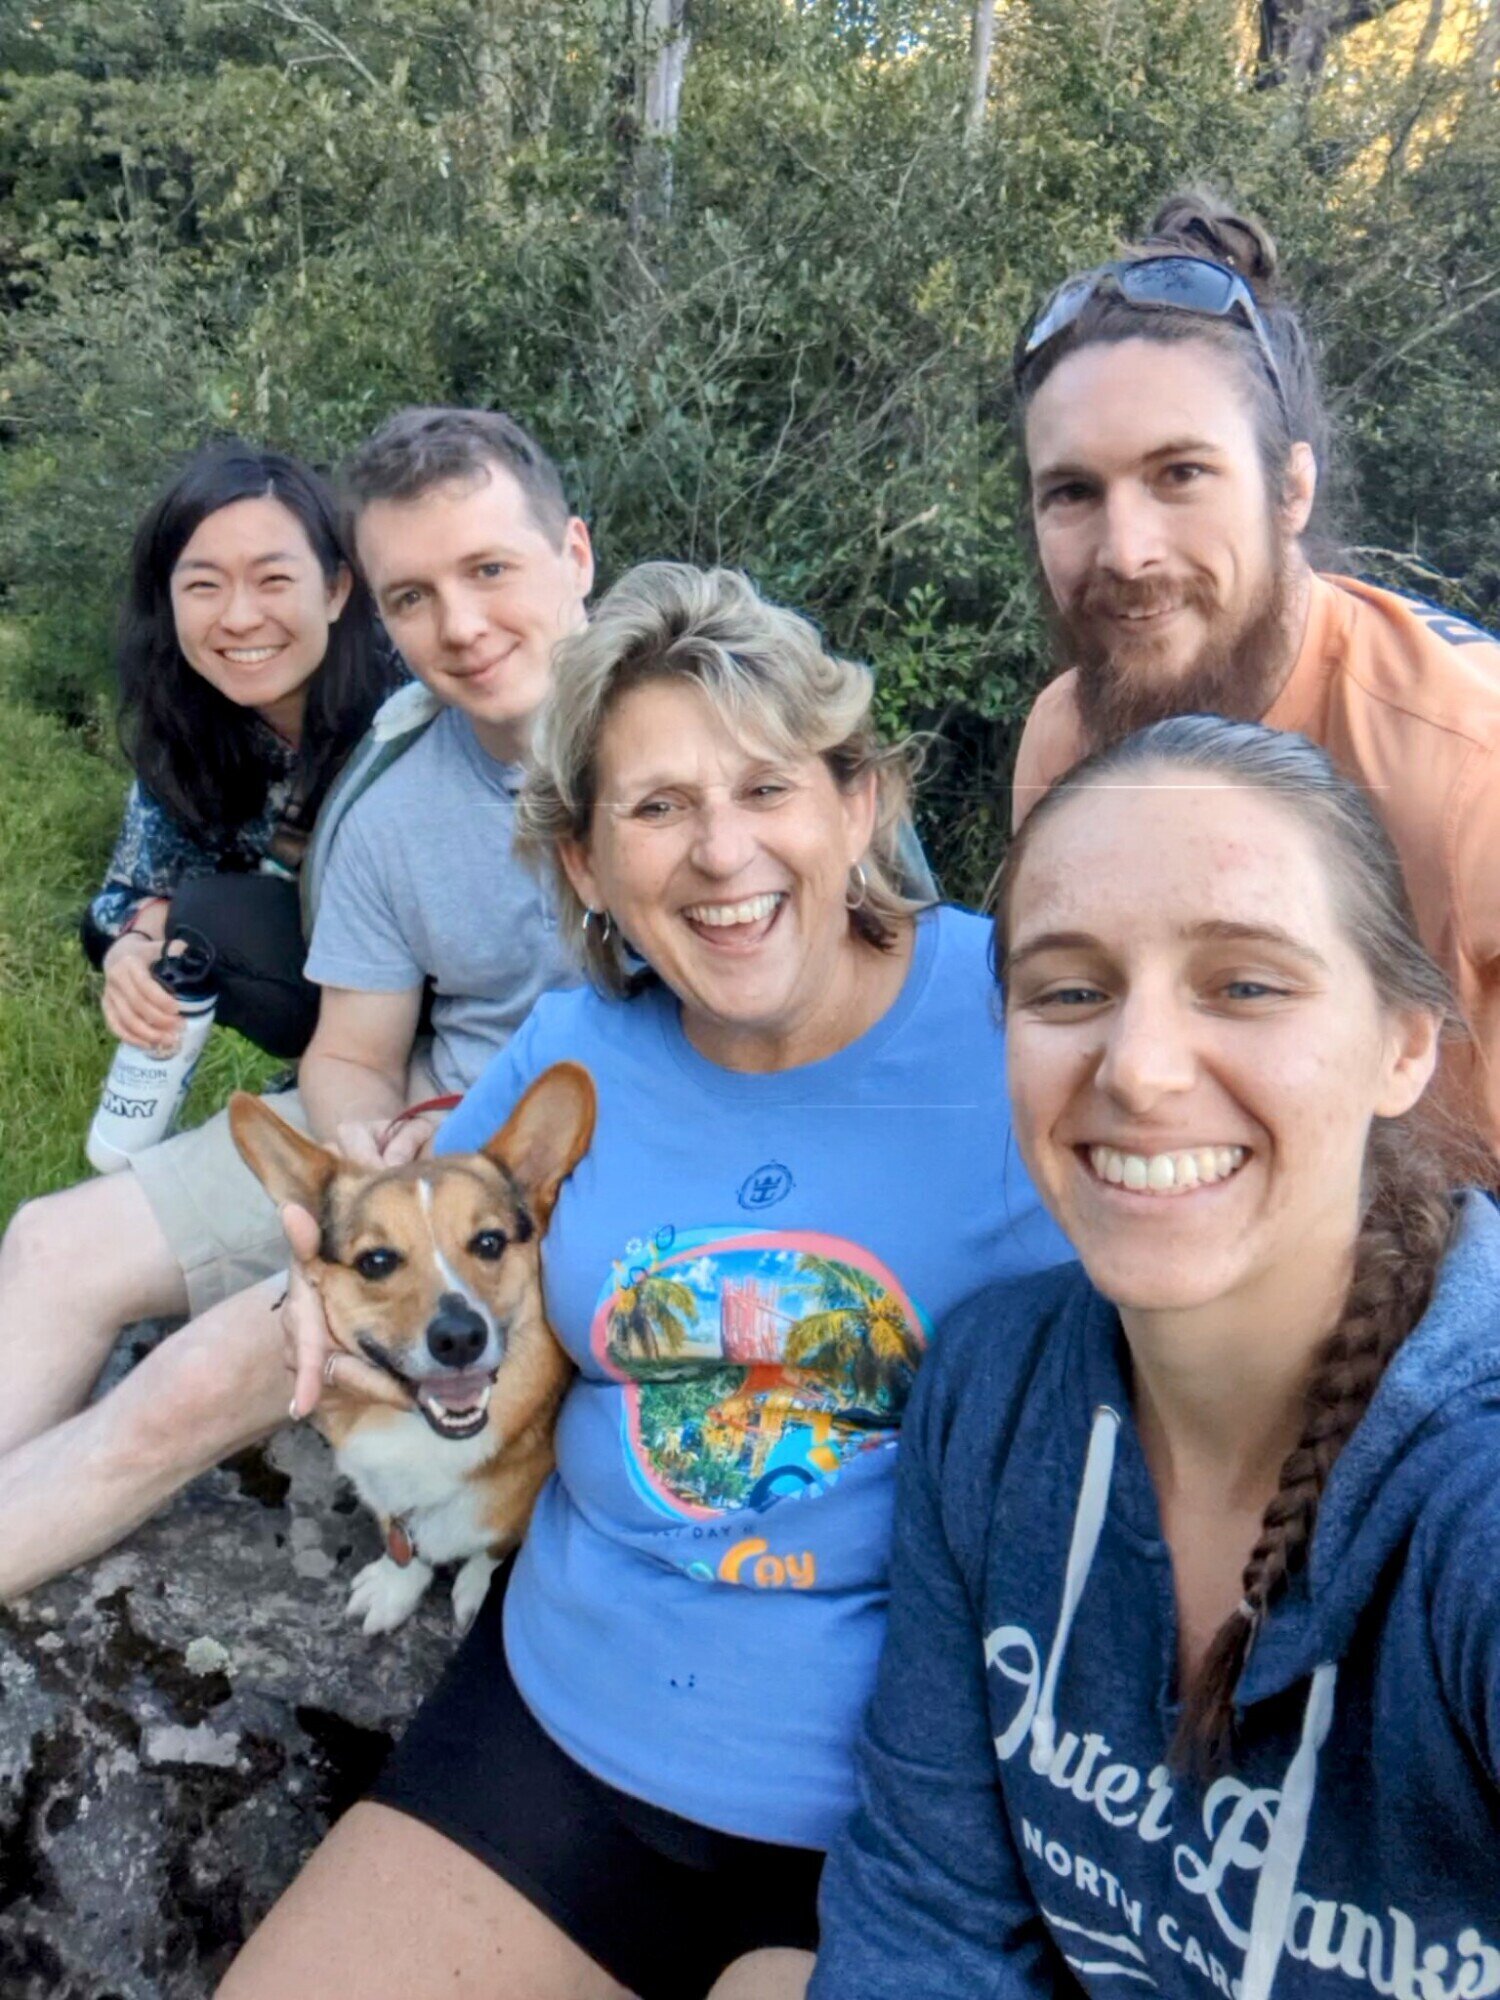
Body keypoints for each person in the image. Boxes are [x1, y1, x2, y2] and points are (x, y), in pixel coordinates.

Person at [219, 562, 1070, 2000]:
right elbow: (415, 1241)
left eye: (766, 788)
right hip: (564, 1718)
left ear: (859, 806)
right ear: (584, 864)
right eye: (657, 808)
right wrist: (314, 1292)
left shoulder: (1026, 1027)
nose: (721, 855)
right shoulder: (574, 1047)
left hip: (894, 1801)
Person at [806, 718, 1499, 2000]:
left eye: (1246, 984)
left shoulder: (1472, 1499)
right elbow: (929, 1913)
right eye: (1070, 991)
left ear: (1405, 1044)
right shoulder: (992, 1393)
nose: (1138, 1069)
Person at [0, 406, 590, 1595]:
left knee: (193, 1382)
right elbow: (354, 1048)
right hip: (418, 1122)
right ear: (382, 604)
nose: (460, 624)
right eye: (416, 594)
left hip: (564, 1160)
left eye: (490, 568)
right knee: (50, 1244)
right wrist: (366, 1149)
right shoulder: (389, 792)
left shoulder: (719, 742)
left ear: (574, 554)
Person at [1007, 189, 1500, 1148]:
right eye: (1072, 492)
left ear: (1292, 489)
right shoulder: (1065, 740)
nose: (1127, 551)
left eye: (1180, 475)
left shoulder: (1466, 765)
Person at [82, 441, 400, 1062]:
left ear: (336, 589)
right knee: (208, 913)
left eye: (274, 580)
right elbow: (118, 898)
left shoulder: (412, 692)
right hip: (349, 996)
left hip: (480, 971)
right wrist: (131, 948)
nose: (239, 617)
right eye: (203, 585)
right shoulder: (188, 724)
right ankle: (348, 1063)